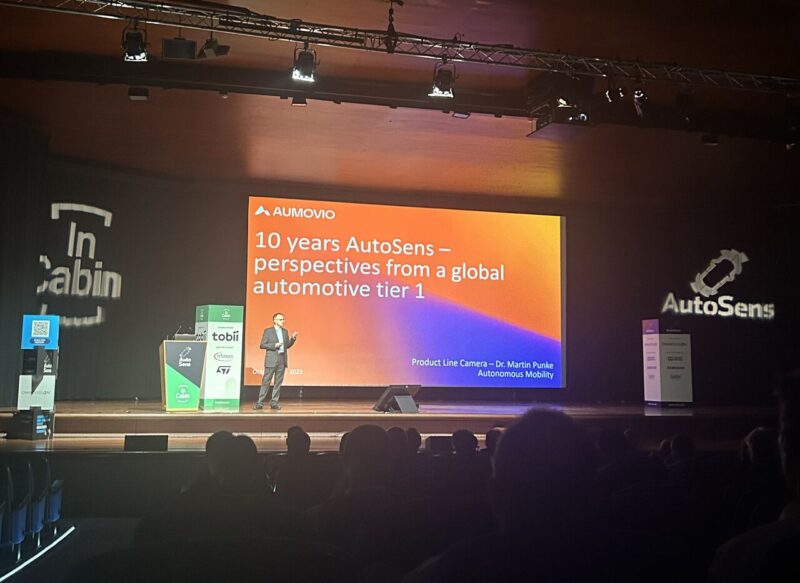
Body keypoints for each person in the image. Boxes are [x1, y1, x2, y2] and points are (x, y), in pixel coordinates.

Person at [254, 312, 298, 410]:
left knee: (278, 382)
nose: (283, 321)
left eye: (283, 319)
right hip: (271, 359)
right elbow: (262, 345)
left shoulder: (285, 331)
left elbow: (287, 346)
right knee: (266, 381)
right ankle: (260, 403)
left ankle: (274, 402)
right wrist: (274, 345)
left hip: (282, 359)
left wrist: (293, 338)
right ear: (275, 320)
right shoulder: (268, 331)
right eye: (280, 319)